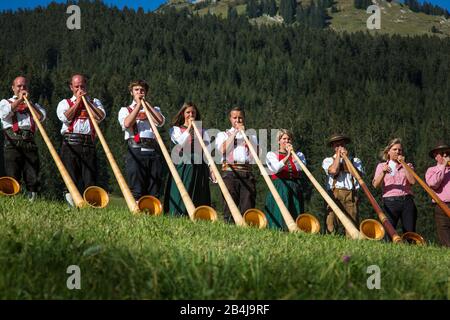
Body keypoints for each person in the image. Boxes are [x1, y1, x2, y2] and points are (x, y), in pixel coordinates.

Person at [56, 74, 105, 206]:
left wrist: (87, 102)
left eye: (82, 86)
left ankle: (90, 207)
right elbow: (65, 118)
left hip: (88, 143)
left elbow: (100, 117)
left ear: (86, 86)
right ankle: (72, 206)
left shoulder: (95, 102)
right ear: (71, 87)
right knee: (71, 178)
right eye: (76, 86)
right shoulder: (64, 103)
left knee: (89, 178)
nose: (79, 89)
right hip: (70, 143)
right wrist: (78, 102)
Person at [118, 79, 165, 202]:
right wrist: (139, 105)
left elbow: (160, 121)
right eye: (137, 90)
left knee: (154, 187)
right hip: (135, 149)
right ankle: (137, 215)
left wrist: (146, 105)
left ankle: (152, 214)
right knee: (137, 186)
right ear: (131, 93)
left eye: (142, 90)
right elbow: (127, 123)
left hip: (153, 150)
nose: (140, 92)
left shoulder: (155, 109)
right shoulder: (125, 110)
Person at [0, 76, 46, 200]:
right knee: (12, 175)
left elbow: (41, 118)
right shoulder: (5, 102)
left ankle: (32, 201)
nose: (22, 88)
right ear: (13, 88)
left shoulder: (34, 105)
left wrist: (29, 103)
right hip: (12, 142)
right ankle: (12, 202)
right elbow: (3, 114)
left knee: (32, 175)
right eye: (19, 86)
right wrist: (19, 100)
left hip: (30, 142)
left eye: (24, 86)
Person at [164, 102, 212, 216]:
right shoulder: (175, 129)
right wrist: (190, 127)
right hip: (183, 164)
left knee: (198, 192)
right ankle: (178, 214)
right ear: (182, 114)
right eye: (188, 112)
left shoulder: (203, 131)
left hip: (199, 165)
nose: (191, 115)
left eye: (193, 112)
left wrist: (211, 167)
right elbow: (180, 142)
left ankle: (198, 215)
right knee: (182, 190)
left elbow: (208, 151)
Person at [215, 106, 258, 223]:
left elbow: (256, 154)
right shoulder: (223, 134)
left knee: (248, 205)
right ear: (230, 119)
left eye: (240, 118)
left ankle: (248, 228)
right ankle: (229, 226)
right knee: (229, 205)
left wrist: (246, 136)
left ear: (244, 119)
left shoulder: (251, 136)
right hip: (229, 172)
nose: (237, 120)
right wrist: (234, 134)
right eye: (235, 118)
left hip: (247, 172)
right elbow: (222, 150)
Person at [372, 138, 417, 237]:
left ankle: (410, 250)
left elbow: (412, 181)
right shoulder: (381, 166)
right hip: (390, 202)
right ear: (388, 152)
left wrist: (404, 165)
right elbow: (375, 185)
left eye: (400, 150)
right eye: (395, 149)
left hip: (407, 201)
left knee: (410, 231)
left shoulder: (408, 165)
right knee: (389, 231)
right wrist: (383, 172)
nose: (398, 152)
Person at [264, 129, 306, 230]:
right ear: (278, 141)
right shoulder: (271, 154)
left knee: (295, 211)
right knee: (279, 212)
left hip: (295, 186)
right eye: (284, 139)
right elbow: (276, 169)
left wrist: (294, 157)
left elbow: (301, 169)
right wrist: (288, 156)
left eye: (289, 139)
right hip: (279, 186)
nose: (287, 141)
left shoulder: (299, 155)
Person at [322, 134, 362, 236]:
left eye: (342, 144)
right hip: (334, 194)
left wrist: (346, 158)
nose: (339, 147)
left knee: (352, 227)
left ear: (345, 145)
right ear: (333, 147)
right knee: (331, 226)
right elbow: (334, 170)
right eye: (337, 145)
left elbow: (357, 175)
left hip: (351, 195)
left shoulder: (355, 160)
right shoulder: (328, 160)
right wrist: (339, 156)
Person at [425, 142, 450, 247]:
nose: (446, 156)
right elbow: (433, 184)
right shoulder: (432, 170)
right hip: (441, 205)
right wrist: (443, 166)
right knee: (444, 232)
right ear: (436, 156)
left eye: (447, 153)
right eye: (442, 153)